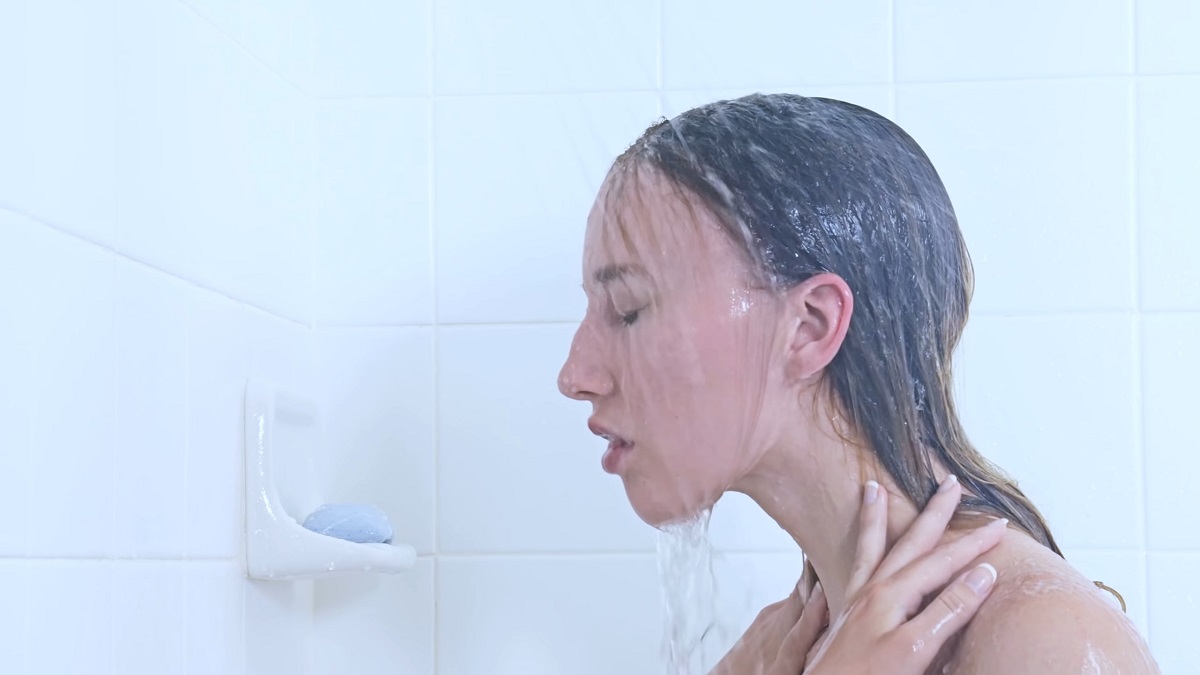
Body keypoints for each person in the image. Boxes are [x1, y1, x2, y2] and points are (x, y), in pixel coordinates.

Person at [557, 94, 1160, 673]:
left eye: (630, 309)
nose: (574, 376)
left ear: (809, 326)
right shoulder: (791, 650)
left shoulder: (1045, 641)